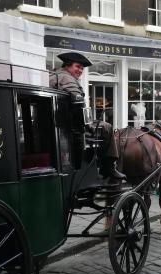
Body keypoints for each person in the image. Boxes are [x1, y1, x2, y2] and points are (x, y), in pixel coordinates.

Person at [49, 52, 125, 180]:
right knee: (107, 127)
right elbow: (78, 103)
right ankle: (108, 167)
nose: (80, 71)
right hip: (69, 125)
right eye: (77, 67)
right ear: (67, 66)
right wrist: (88, 126)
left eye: (82, 69)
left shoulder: (55, 75)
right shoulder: (66, 78)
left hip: (59, 122)